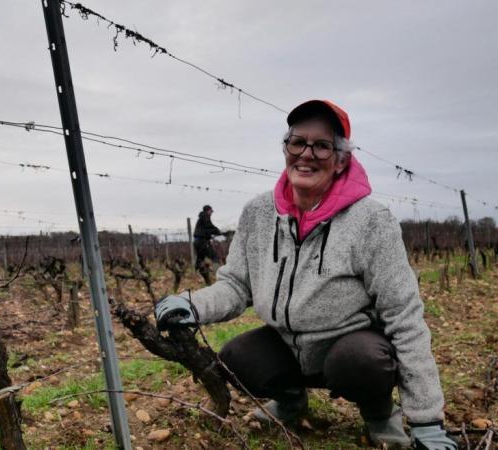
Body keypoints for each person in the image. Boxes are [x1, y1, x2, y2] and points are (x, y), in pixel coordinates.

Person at [155, 100, 457, 449]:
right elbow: (236, 285)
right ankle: (290, 401)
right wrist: (190, 305)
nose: (307, 154)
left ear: (341, 159)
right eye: (297, 142)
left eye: (322, 145)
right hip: (285, 342)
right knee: (237, 358)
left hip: (348, 345)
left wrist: (427, 422)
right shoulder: (258, 212)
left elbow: (404, 317)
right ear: (286, 148)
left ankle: (377, 412)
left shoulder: (371, 221)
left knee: (363, 362)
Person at [193, 205, 222, 269]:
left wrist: (215, 231)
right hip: (202, 241)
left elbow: (207, 228)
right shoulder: (205, 216)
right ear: (208, 210)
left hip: (197, 241)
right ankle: (218, 273)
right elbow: (209, 227)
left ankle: (196, 274)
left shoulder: (201, 218)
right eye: (211, 211)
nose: (211, 213)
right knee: (215, 257)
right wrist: (218, 231)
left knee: (200, 259)